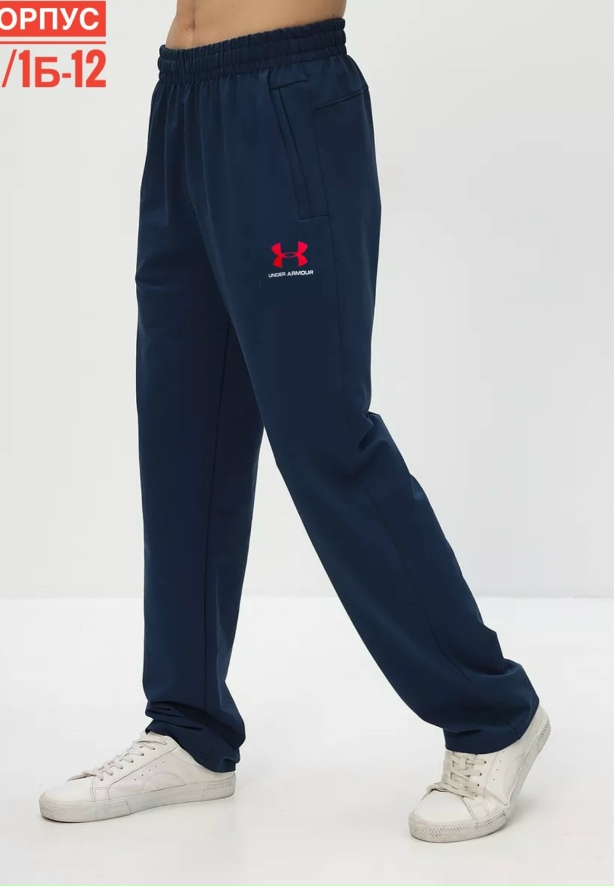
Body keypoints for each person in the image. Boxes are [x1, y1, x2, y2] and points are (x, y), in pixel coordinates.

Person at [39, 0, 550, 842]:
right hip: (182, 99)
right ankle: (190, 726)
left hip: (284, 95)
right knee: (182, 431)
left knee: (324, 437)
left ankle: (494, 714)